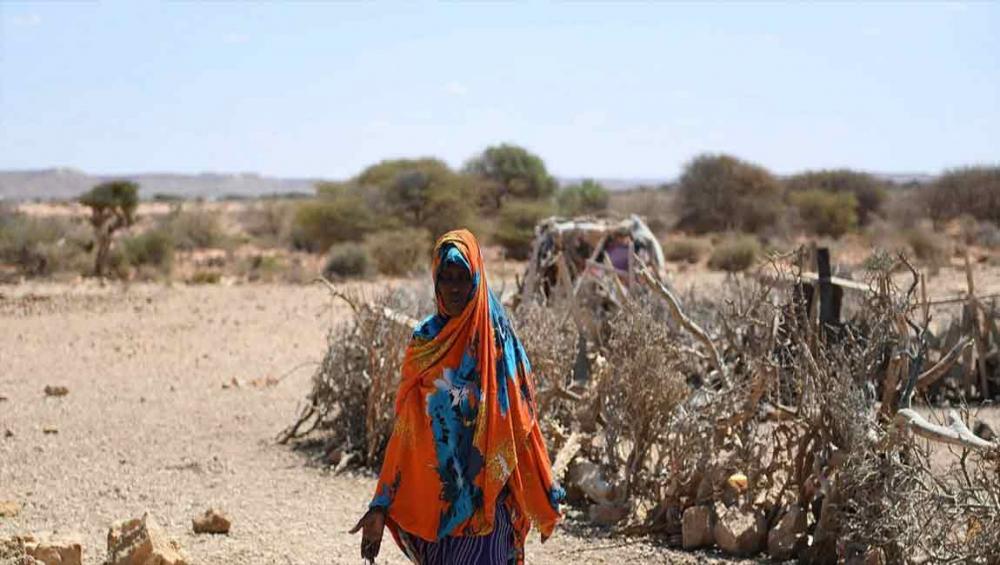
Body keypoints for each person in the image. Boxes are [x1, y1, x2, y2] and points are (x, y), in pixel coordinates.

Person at [351, 229, 563, 565]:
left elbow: (521, 423)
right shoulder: (425, 342)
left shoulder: (499, 343)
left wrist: (534, 489)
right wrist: (381, 504)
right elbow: (406, 432)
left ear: (476, 278)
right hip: (437, 509)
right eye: (445, 277)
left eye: (462, 277)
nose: (452, 288)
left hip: (490, 506)